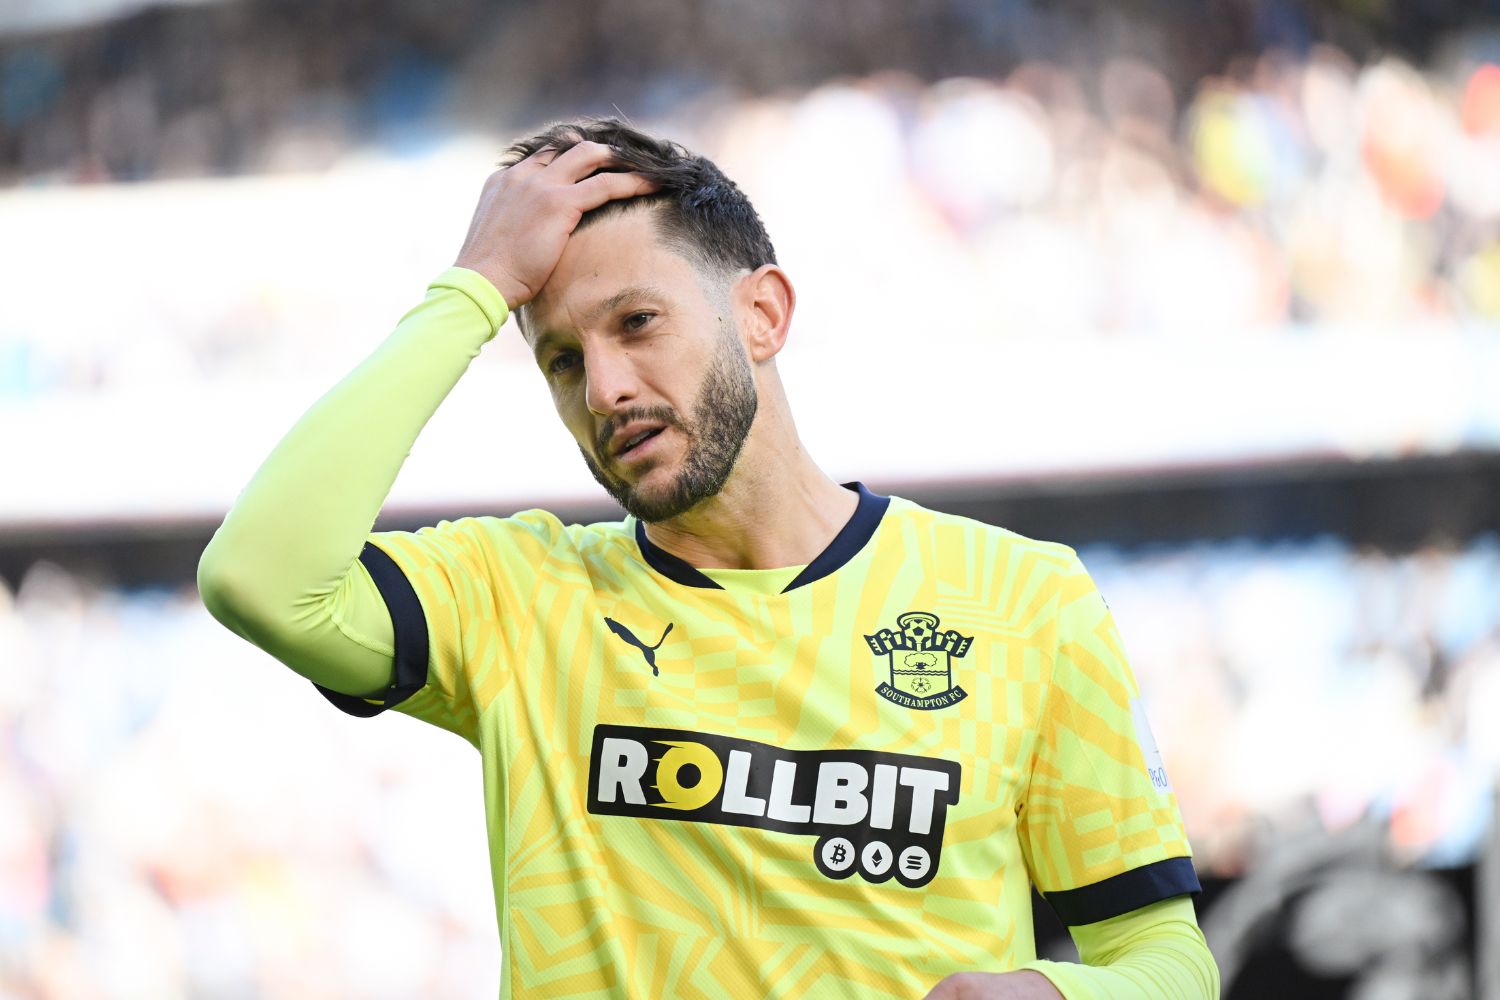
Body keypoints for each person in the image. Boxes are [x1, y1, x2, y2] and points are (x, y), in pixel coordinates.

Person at [197, 117, 1220, 999]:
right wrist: (472, 290)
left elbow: (1164, 958)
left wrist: (1051, 988)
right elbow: (261, 576)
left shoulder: (1026, 600)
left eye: (637, 323)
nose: (603, 388)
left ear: (763, 312)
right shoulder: (520, 597)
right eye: (561, 359)